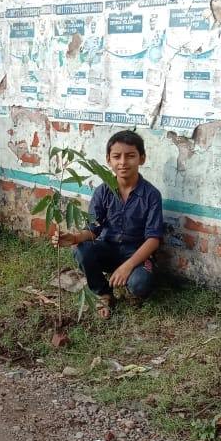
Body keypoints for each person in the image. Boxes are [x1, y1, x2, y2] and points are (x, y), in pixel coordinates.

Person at [51, 129, 163, 319]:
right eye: (116, 156)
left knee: (139, 284)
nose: (123, 162)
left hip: (136, 253)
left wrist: (128, 266)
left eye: (130, 156)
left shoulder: (151, 195)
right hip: (108, 248)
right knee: (81, 250)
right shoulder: (102, 192)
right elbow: (93, 229)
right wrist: (76, 238)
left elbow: (153, 239)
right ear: (108, 160)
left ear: (142, 159)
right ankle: (103, 292)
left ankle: (129, 280)